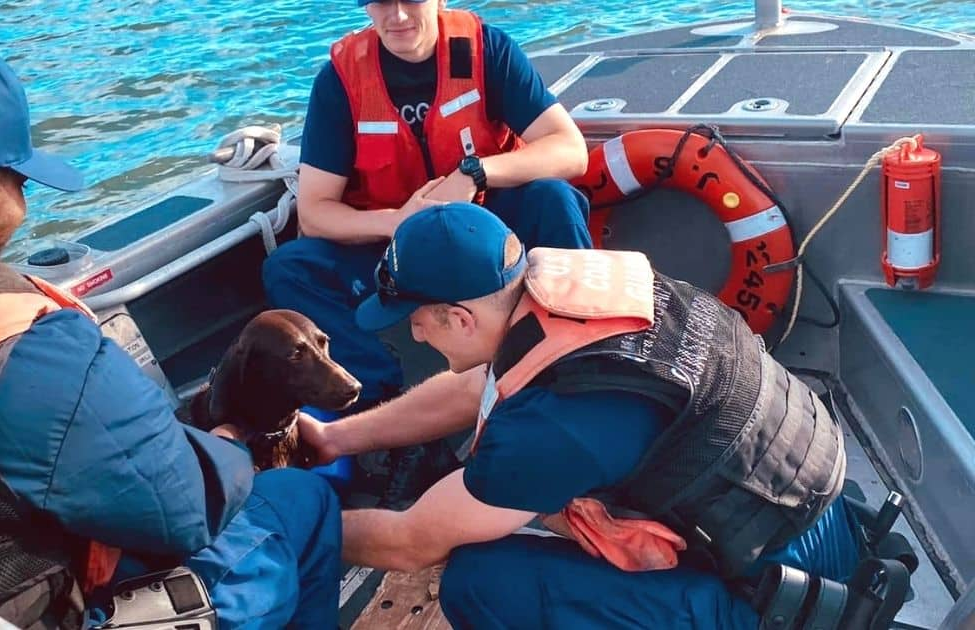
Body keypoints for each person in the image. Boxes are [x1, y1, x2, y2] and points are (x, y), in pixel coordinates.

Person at [0, 29, 339, 630]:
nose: (23, 199)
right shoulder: (16, 337)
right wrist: (231, 438)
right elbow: (186, 509)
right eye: (17, 181)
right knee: (299, 503)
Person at [298, 202, 867, 628]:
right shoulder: (574, 301)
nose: (412, 332)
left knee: (484, 581)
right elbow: (477, 386)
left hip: (784, 603)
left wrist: (288, 524)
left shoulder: (554, 425)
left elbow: (410, 541)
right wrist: (333, 438)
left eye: (414, 319)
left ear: (458, 319)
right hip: (819, 515)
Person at [263, 0, 594, 507]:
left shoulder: (486, 50)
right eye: (379, 1)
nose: (396, 16)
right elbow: (315, 213)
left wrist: (475, 173)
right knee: (290, 268)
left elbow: (569, 150)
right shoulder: (341, 80)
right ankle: (396, 427)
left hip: (481, 236)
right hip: (395, 247)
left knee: (554, 198)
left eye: (411, 0)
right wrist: (397, 221)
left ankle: (584, 362)